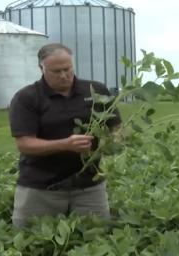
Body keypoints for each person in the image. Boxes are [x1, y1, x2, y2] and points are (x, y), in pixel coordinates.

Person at [8, 43, 121, 228]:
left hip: (89, 185)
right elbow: (25, 144)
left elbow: (117, 127)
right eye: (55, 71)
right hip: (40, 186)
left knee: (97, 239)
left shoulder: (96, 90)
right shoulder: (27, 98)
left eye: (67, 69)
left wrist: (112, 143)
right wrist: (65, 144)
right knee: (32, 242)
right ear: (41, 68)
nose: (63, 75)